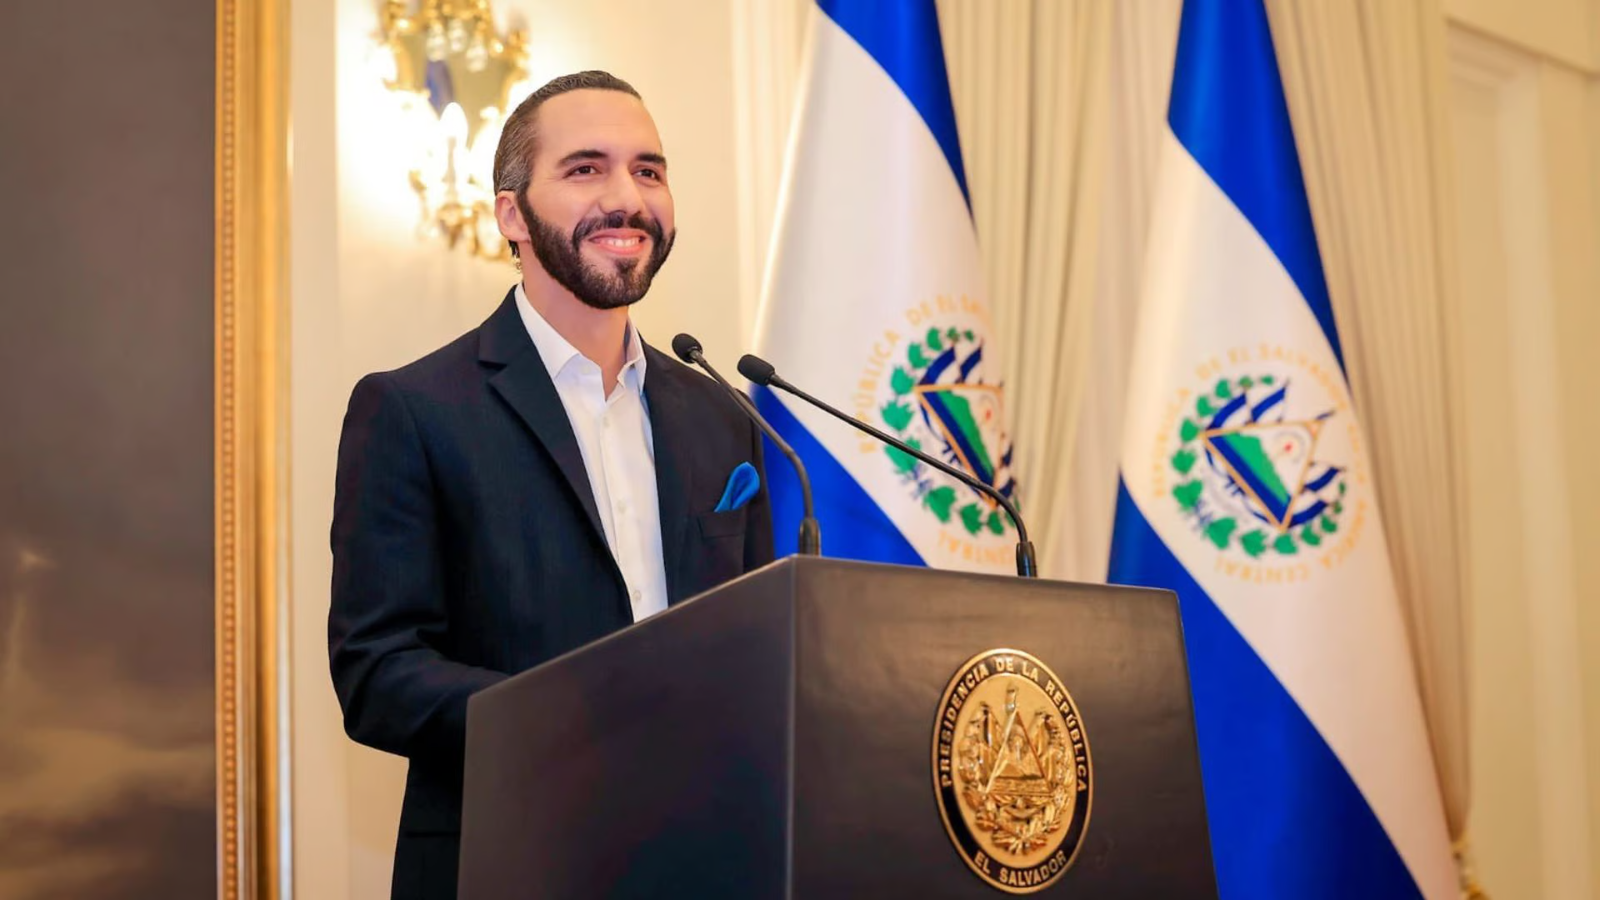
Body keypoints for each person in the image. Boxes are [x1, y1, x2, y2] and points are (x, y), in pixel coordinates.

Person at [328, 70, 775, 900]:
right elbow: (376, 673)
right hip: (507, 861)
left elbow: (755, 646)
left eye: (648, 170)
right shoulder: (414, 410)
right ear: (512, 215)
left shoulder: (725, 417)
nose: (627, 198)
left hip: (706, 862)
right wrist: (582, 718)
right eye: (585, 169)